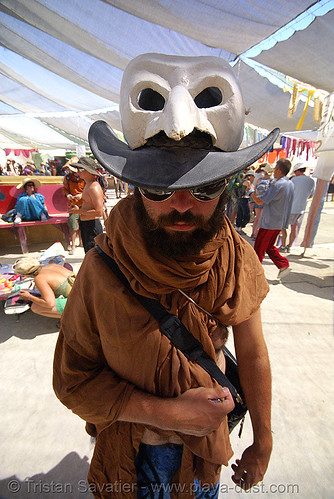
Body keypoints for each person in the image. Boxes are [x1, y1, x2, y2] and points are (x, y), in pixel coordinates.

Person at [53, 53, 280, 497]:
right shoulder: (103, 267)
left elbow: (253, 352)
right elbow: (73, 380)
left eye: (205, 187)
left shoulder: (235, 255)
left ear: (228, 185)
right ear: (134, 186)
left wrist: (264, 439)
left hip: (205, 454)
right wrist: (164, 414)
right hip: (132, 456)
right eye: (159, 189)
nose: (181, 206)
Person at [246, 158, 294, 279]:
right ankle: (283, 265)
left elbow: (260, 201)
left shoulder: (278, 185)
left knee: (259, 247)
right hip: (279, 221)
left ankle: (253, 273)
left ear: (278, 169)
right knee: (269, 246)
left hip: (270, 222)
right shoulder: (289, 184)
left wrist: (250, 189)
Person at [68, 157, 104, 253]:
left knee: (95, 259)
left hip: (92, 226)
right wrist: (78, 208)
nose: (78, 172)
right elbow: (89, 205)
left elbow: (99, 212)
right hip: (86, 225)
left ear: (88, 171)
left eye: (80, 169)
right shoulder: (87, 185)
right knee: (90, 256)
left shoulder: (93, 187)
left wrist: (78, 211)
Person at [280, 163, 315, 252]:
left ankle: (283, 245)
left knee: (283, 228)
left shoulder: (293, 180)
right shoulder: (311, 181)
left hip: (289, 208)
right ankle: (289, 246)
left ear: (297, 171)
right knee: (294, 227)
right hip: (301, 208)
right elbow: (311, 195)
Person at [62, 159, 85, 255]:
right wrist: (68, 195)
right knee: (73, 226)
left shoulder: (84, 178)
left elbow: (90, 190)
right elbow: (65, 190)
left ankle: (81, 242)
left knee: (83, 225)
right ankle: (73, 246)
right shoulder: (67, 178)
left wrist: (82, 195)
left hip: (84, 205)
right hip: (72, 205)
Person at [251, 163, 274, 239]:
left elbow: (254, 189)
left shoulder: (259, 180)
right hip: (264, 201)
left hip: (257, 199)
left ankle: (253, 233)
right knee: (261, 219)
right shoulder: (271, 181)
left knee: (257, 218)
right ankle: (256, 234)